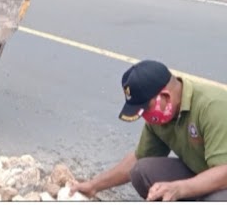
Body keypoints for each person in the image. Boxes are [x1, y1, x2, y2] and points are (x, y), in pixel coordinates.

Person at [71, 60, 227, 201]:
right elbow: (139, 158)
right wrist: (94, 185)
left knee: (217, 200)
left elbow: (224, 172)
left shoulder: (212, 107)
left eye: (145, 109)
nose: (145, 117)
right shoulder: (160, 117)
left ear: (165, 96)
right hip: (202, 171)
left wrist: (179, 188)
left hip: (223, 177)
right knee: (141, 171)